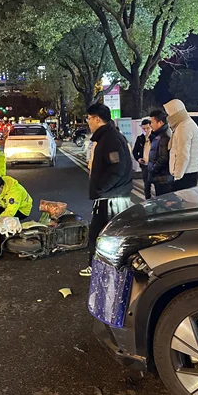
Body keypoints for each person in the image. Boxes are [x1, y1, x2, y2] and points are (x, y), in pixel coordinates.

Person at [80, 103, 133, 277]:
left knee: (101, 234)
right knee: (108, 233)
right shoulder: (108, 136)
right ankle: (107, 267)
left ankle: (100, 268)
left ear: (97, 119)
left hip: (111, 198)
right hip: (112, 195)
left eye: (89, 118)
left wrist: (101, 188)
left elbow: (117, 168)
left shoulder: (110, 139)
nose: (88, 122)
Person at [164, 99, 198, 191]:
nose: (168, 117)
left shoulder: (184, 127)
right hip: (187, 172)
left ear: (174, 113)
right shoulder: (184, 124)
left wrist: (177, 175)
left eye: (169, 113)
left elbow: (183, 154)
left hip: (185, 174)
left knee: (182, 199)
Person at [147, 110, 173, 196]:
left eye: (152, 122)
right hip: (159, 176)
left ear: (160, 122)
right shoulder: (158, 135)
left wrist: (153, 169)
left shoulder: (164, 136)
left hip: (163, 178)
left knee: (163, 201)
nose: (150, 125)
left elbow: (163, 158)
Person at [133, 119, 152, 199]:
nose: (146, 130)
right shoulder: (140, 138)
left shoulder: (155, 137)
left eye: (148, 128)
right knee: (146, 184)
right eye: (144, 128)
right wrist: (138, 159)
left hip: (154, 165)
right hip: (144, 165)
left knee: (156, 183)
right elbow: (135, 151)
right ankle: (148, 200)